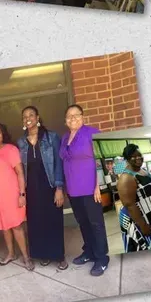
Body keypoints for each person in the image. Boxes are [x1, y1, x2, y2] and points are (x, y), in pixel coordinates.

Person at [60, 104, 110, 275]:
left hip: (90, 188)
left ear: (83, 117)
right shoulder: (64, 137)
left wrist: (99, 186)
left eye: (76, 115)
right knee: (83, 223)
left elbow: (102, 160)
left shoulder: (92, 133)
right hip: (73, 189)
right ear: (65, 120)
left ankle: (102, 258)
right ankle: (89, 251)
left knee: (96, 224)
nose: (73, 118)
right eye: (69, 116)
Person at [17, 106, 67, 270]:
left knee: (54, 221)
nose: (28, 118)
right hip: (32, 189)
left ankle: (59, 255)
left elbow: (59, 163)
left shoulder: (51, 137)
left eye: (31, 115)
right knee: (36, 222)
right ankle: (43, 254)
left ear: (38, 118)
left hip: (50, 186)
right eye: (25, 116)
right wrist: (22, 192)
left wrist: (59, 188)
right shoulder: (21, 142)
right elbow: (20, 170)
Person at [0, 122, 33, 270]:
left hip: (10, 194)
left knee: (16, 225)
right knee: (4, 226)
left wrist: (22, 194)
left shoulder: (11, 150)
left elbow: (20, 173)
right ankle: (11, 253)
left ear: (3, 134)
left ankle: (26, 257)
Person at [117, 144, 151, 252]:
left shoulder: (142, 170)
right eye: (134, 156)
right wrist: (142, 225)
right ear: (127, 159)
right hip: (142, 220)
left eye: (139, 155)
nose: (138, 158)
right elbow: (129, 204)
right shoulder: (126, 178)